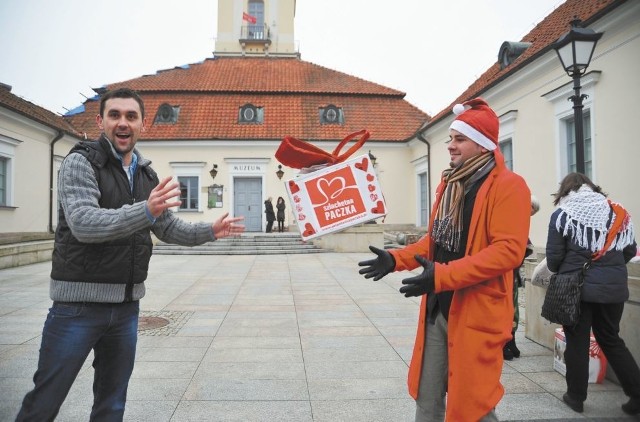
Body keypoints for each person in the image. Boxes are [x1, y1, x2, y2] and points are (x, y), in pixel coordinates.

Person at [16, 87, 245, 421]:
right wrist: (146, 210)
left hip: (125, 309)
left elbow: (167, 228)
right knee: (45, 401)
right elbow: (84, 224)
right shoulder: (80, 162)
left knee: (111, 404)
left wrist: (210, 230)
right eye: (115, 115)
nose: (123, 123)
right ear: (101, 121)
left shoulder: (146, 174)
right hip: (77, 308)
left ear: (143, 125)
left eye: (131, 116)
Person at [358, 97, 531, 421]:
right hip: (439, 308)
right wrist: (396, 259)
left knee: (474, 406)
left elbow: (508, 251)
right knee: (427, 396)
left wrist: (441, 276)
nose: (450, 145)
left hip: (477, 310)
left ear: (481, 144)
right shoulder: (450, 184)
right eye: (450, 138)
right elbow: (434, 244)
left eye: (459, 139)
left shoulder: (510, 187)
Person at [545, 172, 639, 415]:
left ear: (565, 191)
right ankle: (637, 394)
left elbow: (554, 260)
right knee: (611, 339)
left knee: (577, 341)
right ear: (593, 187)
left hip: (577, 291)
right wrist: (609, 269)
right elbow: (629, 250)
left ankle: (575, 397)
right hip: (614, 290)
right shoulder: (619, 212)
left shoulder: (563, 214)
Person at [504, 194, 540, 360]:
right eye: (531, 210)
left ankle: (511, 341)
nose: (530, 215)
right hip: (503, 270)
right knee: (505, 307)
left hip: (512, 271)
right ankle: (504, 343)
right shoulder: (510, 218)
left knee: (513, 308)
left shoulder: (520, 221)